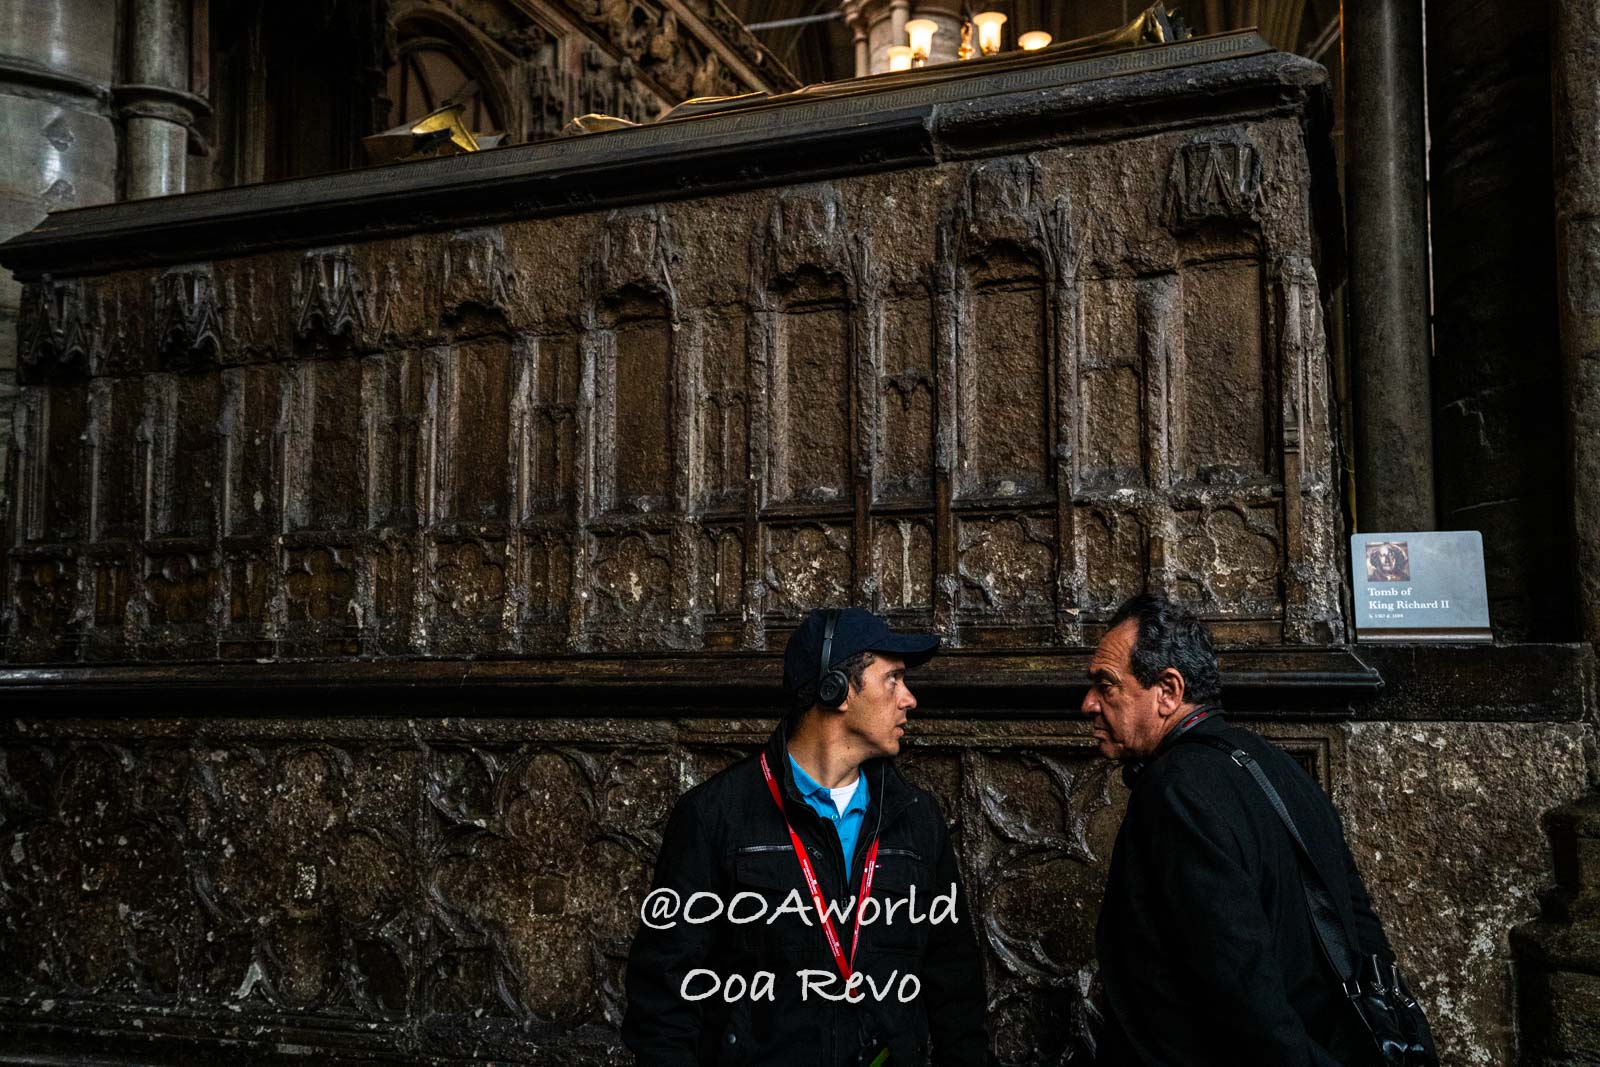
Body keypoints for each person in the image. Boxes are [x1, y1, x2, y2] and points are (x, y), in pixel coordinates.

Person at [623, 607, 990, 1065]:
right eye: (893, 679)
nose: (909, 698)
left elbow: (956, 991)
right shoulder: (714, 815)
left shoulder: (917, 818)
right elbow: (664, 998)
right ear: (836, 689)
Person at [1083, 593, 1396, 1066]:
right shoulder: (1281, 768)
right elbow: (1364, 937)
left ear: (1168, 690)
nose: (1088, 703)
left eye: (1106, 685)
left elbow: (1236, 982)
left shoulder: (1174, 789)